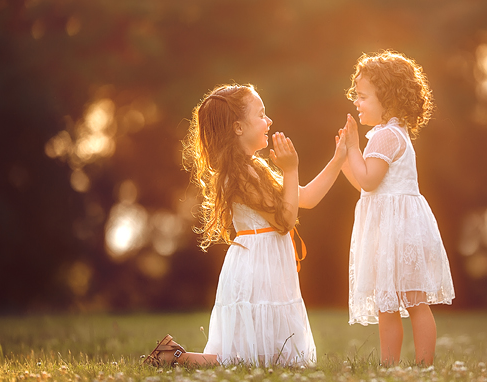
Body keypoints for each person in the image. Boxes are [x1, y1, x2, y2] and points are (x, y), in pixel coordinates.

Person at [144, 83, 346, 367]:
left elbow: (307, 198)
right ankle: (175, 357)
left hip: (267, 261)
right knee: (245, 360)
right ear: (238, 127)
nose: (269, 121)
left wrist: (338, 159)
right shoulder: (238, 173)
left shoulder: (255, 168)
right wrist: (290, 169)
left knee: (265, 359)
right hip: (257, 266)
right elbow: (285, 220)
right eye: (261, 114)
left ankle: (172, 356)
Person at [340, 51, 455, 366]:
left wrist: (353, 148)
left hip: (397, 230)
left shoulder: (385, 137)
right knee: (391, 303)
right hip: (393, 228)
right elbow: (365, 184)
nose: (357, 103)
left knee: (407, 303)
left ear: (387, 99)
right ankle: (397, 366)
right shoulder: (388, 134)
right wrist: (344, 159)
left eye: (363, 97)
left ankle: (416, 365)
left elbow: (368, 181)